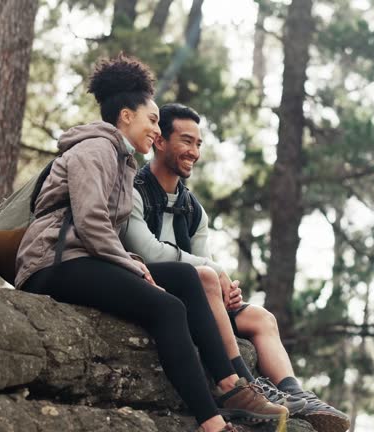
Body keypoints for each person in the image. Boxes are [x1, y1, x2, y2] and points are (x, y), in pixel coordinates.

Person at [14, 56, 288, 432]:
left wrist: (128, 260)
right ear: (126, 116)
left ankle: (230, 386)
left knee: (186, 278)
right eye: (153, 119)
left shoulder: (120, 159)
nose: (156, 129)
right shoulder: (95, 150)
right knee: (168, 309)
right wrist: (131, 264)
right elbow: (93, 223)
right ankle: (213, 425)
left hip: (80, 258)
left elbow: (101, 231)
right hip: (52, 263)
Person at [120, 103, 350, 432]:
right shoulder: (134, 189)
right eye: (186, 141)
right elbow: (147, 251)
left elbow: (202, 262)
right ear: (160, 141)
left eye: (198, 144)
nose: (194, 152)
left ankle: (296, 395)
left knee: (261, 318)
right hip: (151, 287)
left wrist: (227, 290)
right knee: (205, 275)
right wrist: (214, 272)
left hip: (196, 295)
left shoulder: (193, 209)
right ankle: (243, 384)